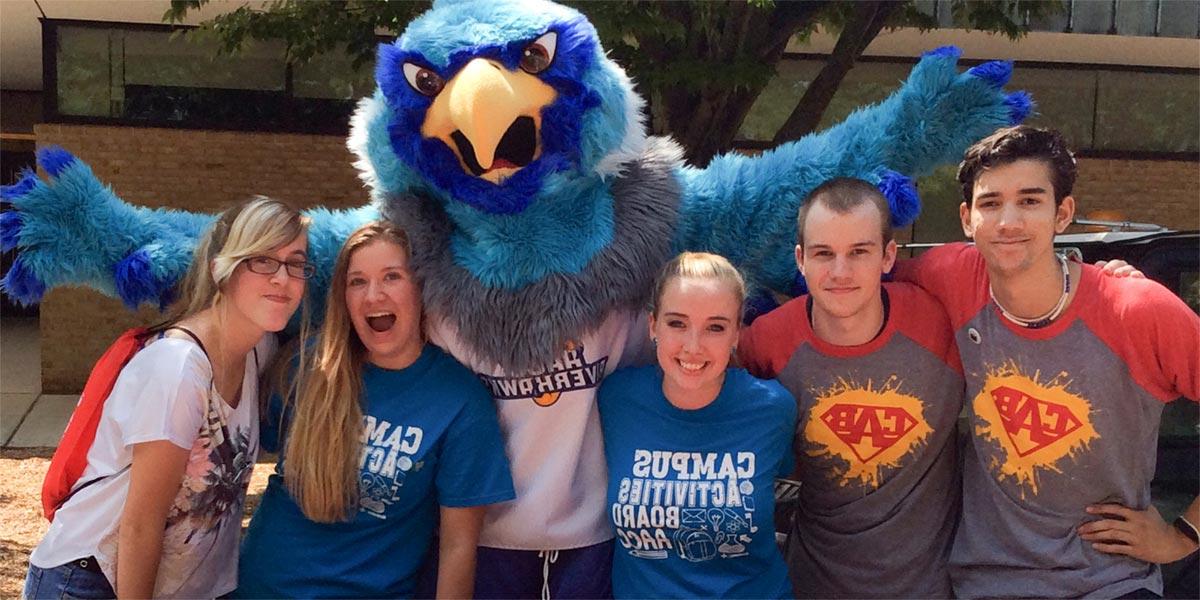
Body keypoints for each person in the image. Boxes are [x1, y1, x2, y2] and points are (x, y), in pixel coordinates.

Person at [895, 125, 1200, 598]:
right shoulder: (952, 275)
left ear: (1063, 214)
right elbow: (855, 278)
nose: (1008, 221)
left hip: (1111, 582)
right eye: (991, 203)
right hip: (986, 581)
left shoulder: (1137, 309)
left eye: (1030, 201)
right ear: (966, 218)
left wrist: (1183, 536)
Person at [24, 196, 311, 599]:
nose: (282, 277)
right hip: (91, 579)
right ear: (221, 271)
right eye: (262, 259)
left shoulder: (256, 352)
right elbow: (141, 522)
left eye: (295, 262)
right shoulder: (177, 368)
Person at [235, 221, 515, 599]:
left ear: (420, 288)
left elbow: (457, 549)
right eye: (357, 282)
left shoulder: (460, 401)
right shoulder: (308, 364)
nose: (373, 295)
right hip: (261, 588)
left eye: (392, 277)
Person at [738, 178, 965, 598]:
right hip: (813, 584)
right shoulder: (768, 340)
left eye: (859, 252)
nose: (840, 272)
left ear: (887, 256)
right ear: (801, 260)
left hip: (930, 586)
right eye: (824, 254)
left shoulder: (941, 320)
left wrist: (1110, 279)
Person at [598, 252, 796, 599]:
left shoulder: (771, 409)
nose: (693, 347)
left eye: (715, 327)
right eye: (677, 323)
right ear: (652, 325)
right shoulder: (617, 399)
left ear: (737, 333)